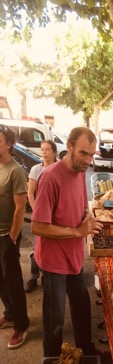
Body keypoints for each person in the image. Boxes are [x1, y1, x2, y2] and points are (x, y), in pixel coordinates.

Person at [31, 127, 104, 357]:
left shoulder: (81, 173)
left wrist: (88, 219)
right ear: (69, 147)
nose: (88, 160)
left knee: (82, 310)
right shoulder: (50, 177)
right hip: (54, 264)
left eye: (92, 155)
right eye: (83, 153)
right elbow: (37, 226)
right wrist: (77, 231)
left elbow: (82, 206)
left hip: (74, 260)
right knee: (54, 322)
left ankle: (86, 353)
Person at [0, 125, 30, 349]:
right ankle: (9, 313)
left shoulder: (16, 171)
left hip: (7, 235)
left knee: (12, 281)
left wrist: (12, 238)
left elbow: (20, 209)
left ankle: (21, 324)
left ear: (8, 144)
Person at [25, 140, 58, 293]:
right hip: (40, 213)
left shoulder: (60, 169)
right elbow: (30, 192)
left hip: (55, 215)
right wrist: (36, 211)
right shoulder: (36, 169)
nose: (44, 152)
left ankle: (47, 275)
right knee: (36, 246)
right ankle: (33, 276)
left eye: (48, 150)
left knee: (51, 248)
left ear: (55, 152)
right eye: (42, 149)